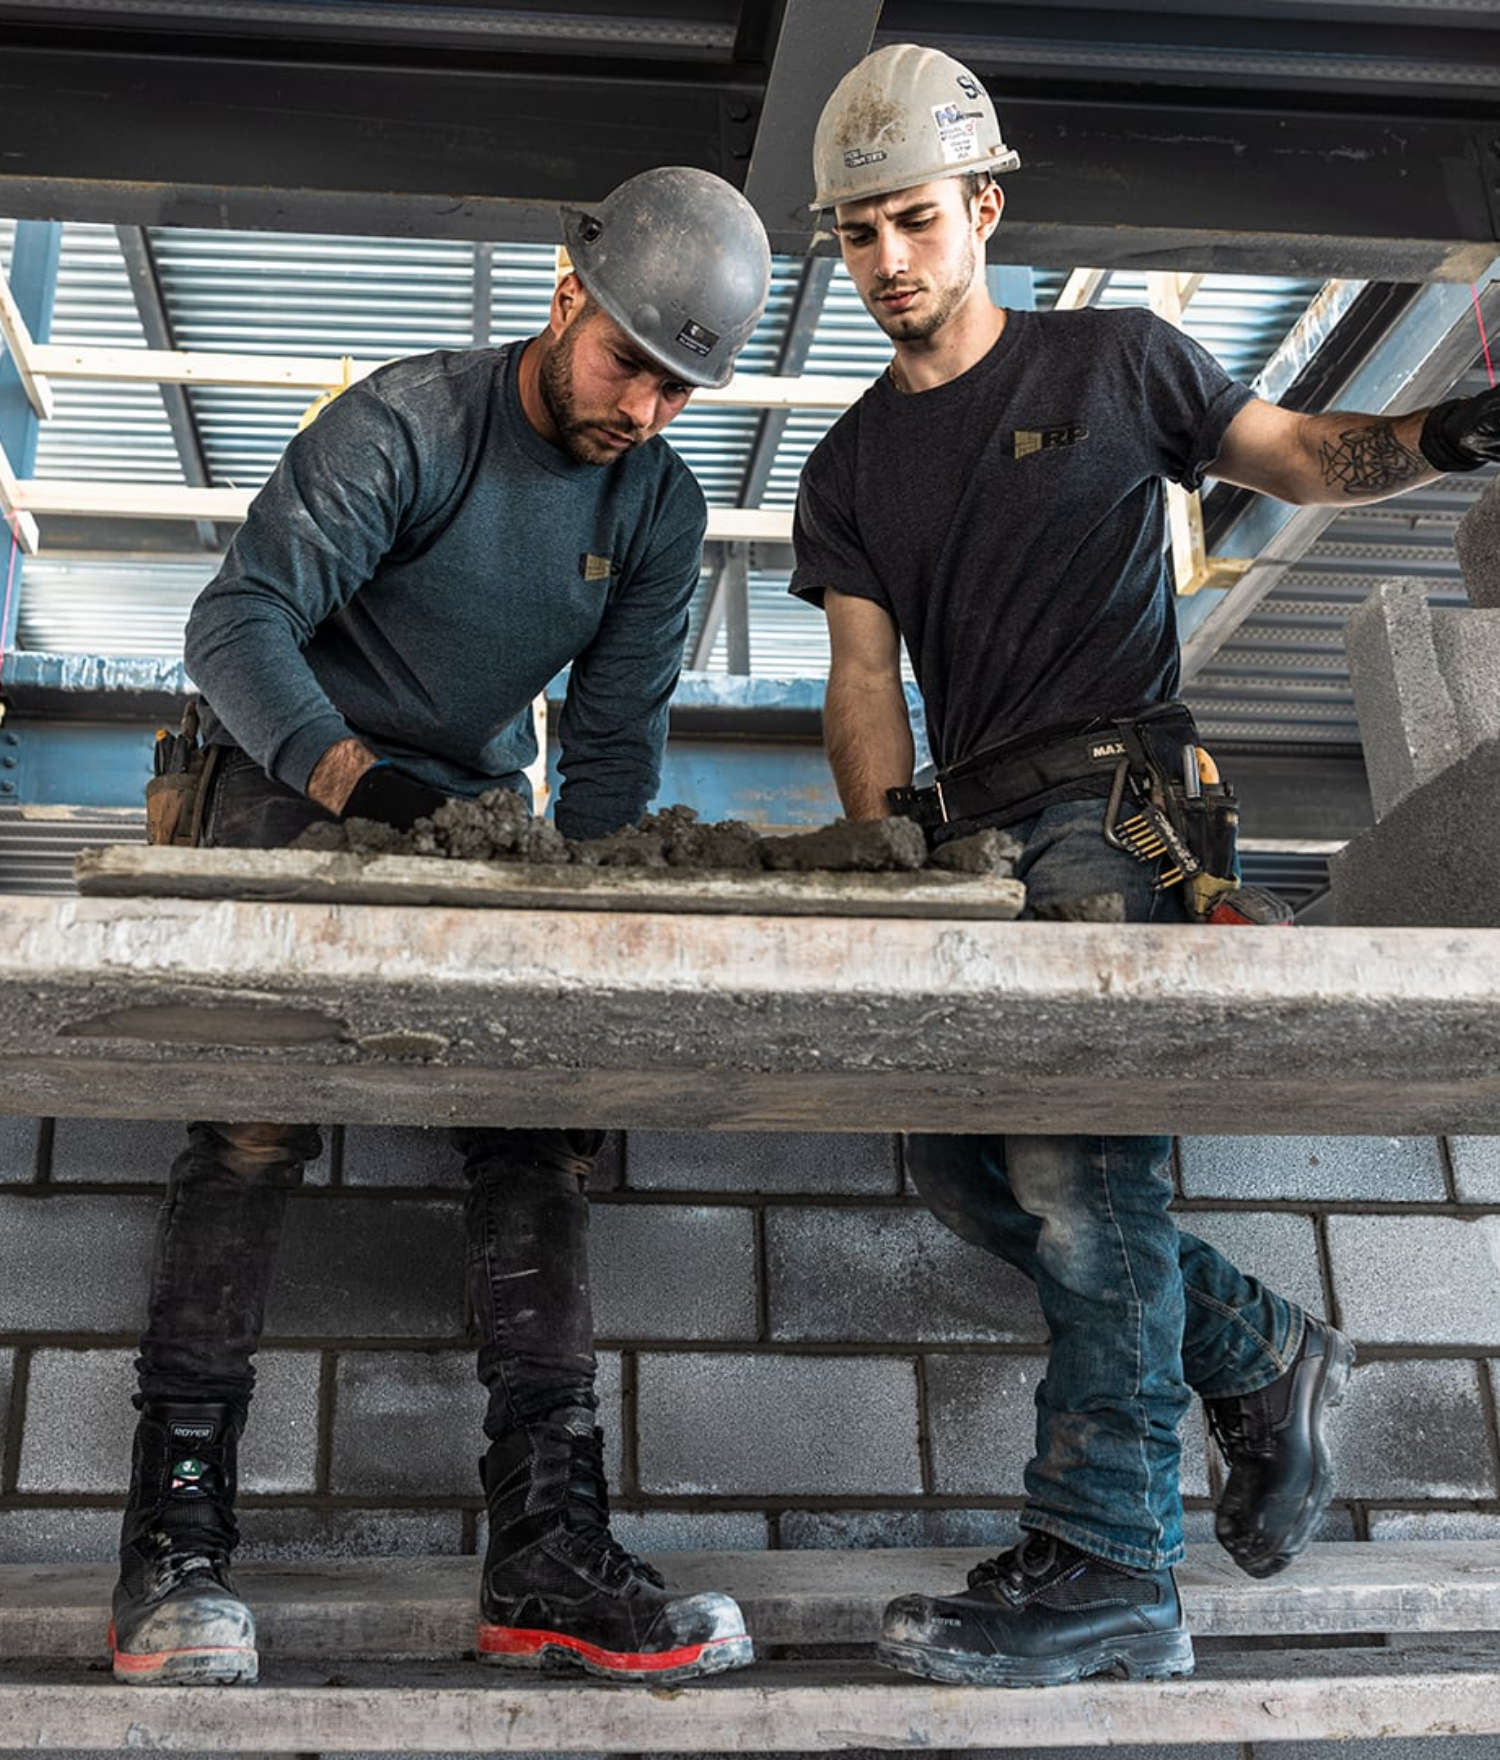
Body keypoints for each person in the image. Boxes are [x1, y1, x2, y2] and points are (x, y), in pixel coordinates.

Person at [791, 42, 1500, 1690]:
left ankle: (1110, 1562)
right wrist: (888, 851)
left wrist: (1460, 432)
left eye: (910, 221)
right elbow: (856, 684)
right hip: (966, 841)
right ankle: (1261, 1351)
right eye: (856, 236)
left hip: (1125, 819)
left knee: (1083, 1181)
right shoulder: (845, 468)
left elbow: (1309, 461)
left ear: (980, 208)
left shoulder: (1116, 360)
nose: (887, 262)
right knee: (965, 1173)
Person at [111, 165, 772, 1690]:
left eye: (683, 393)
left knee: (537, 1125)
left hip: (469, 815)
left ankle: (546, 1550)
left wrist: (601, 930)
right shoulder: (411, 423)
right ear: (567, 297)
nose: (647, 414)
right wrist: (360, 781)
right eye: (630, 369)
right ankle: (178, 1547)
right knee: (254, 1130)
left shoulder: (657, 505)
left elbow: (611, 754)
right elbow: (234, 626)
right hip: (287, 776)